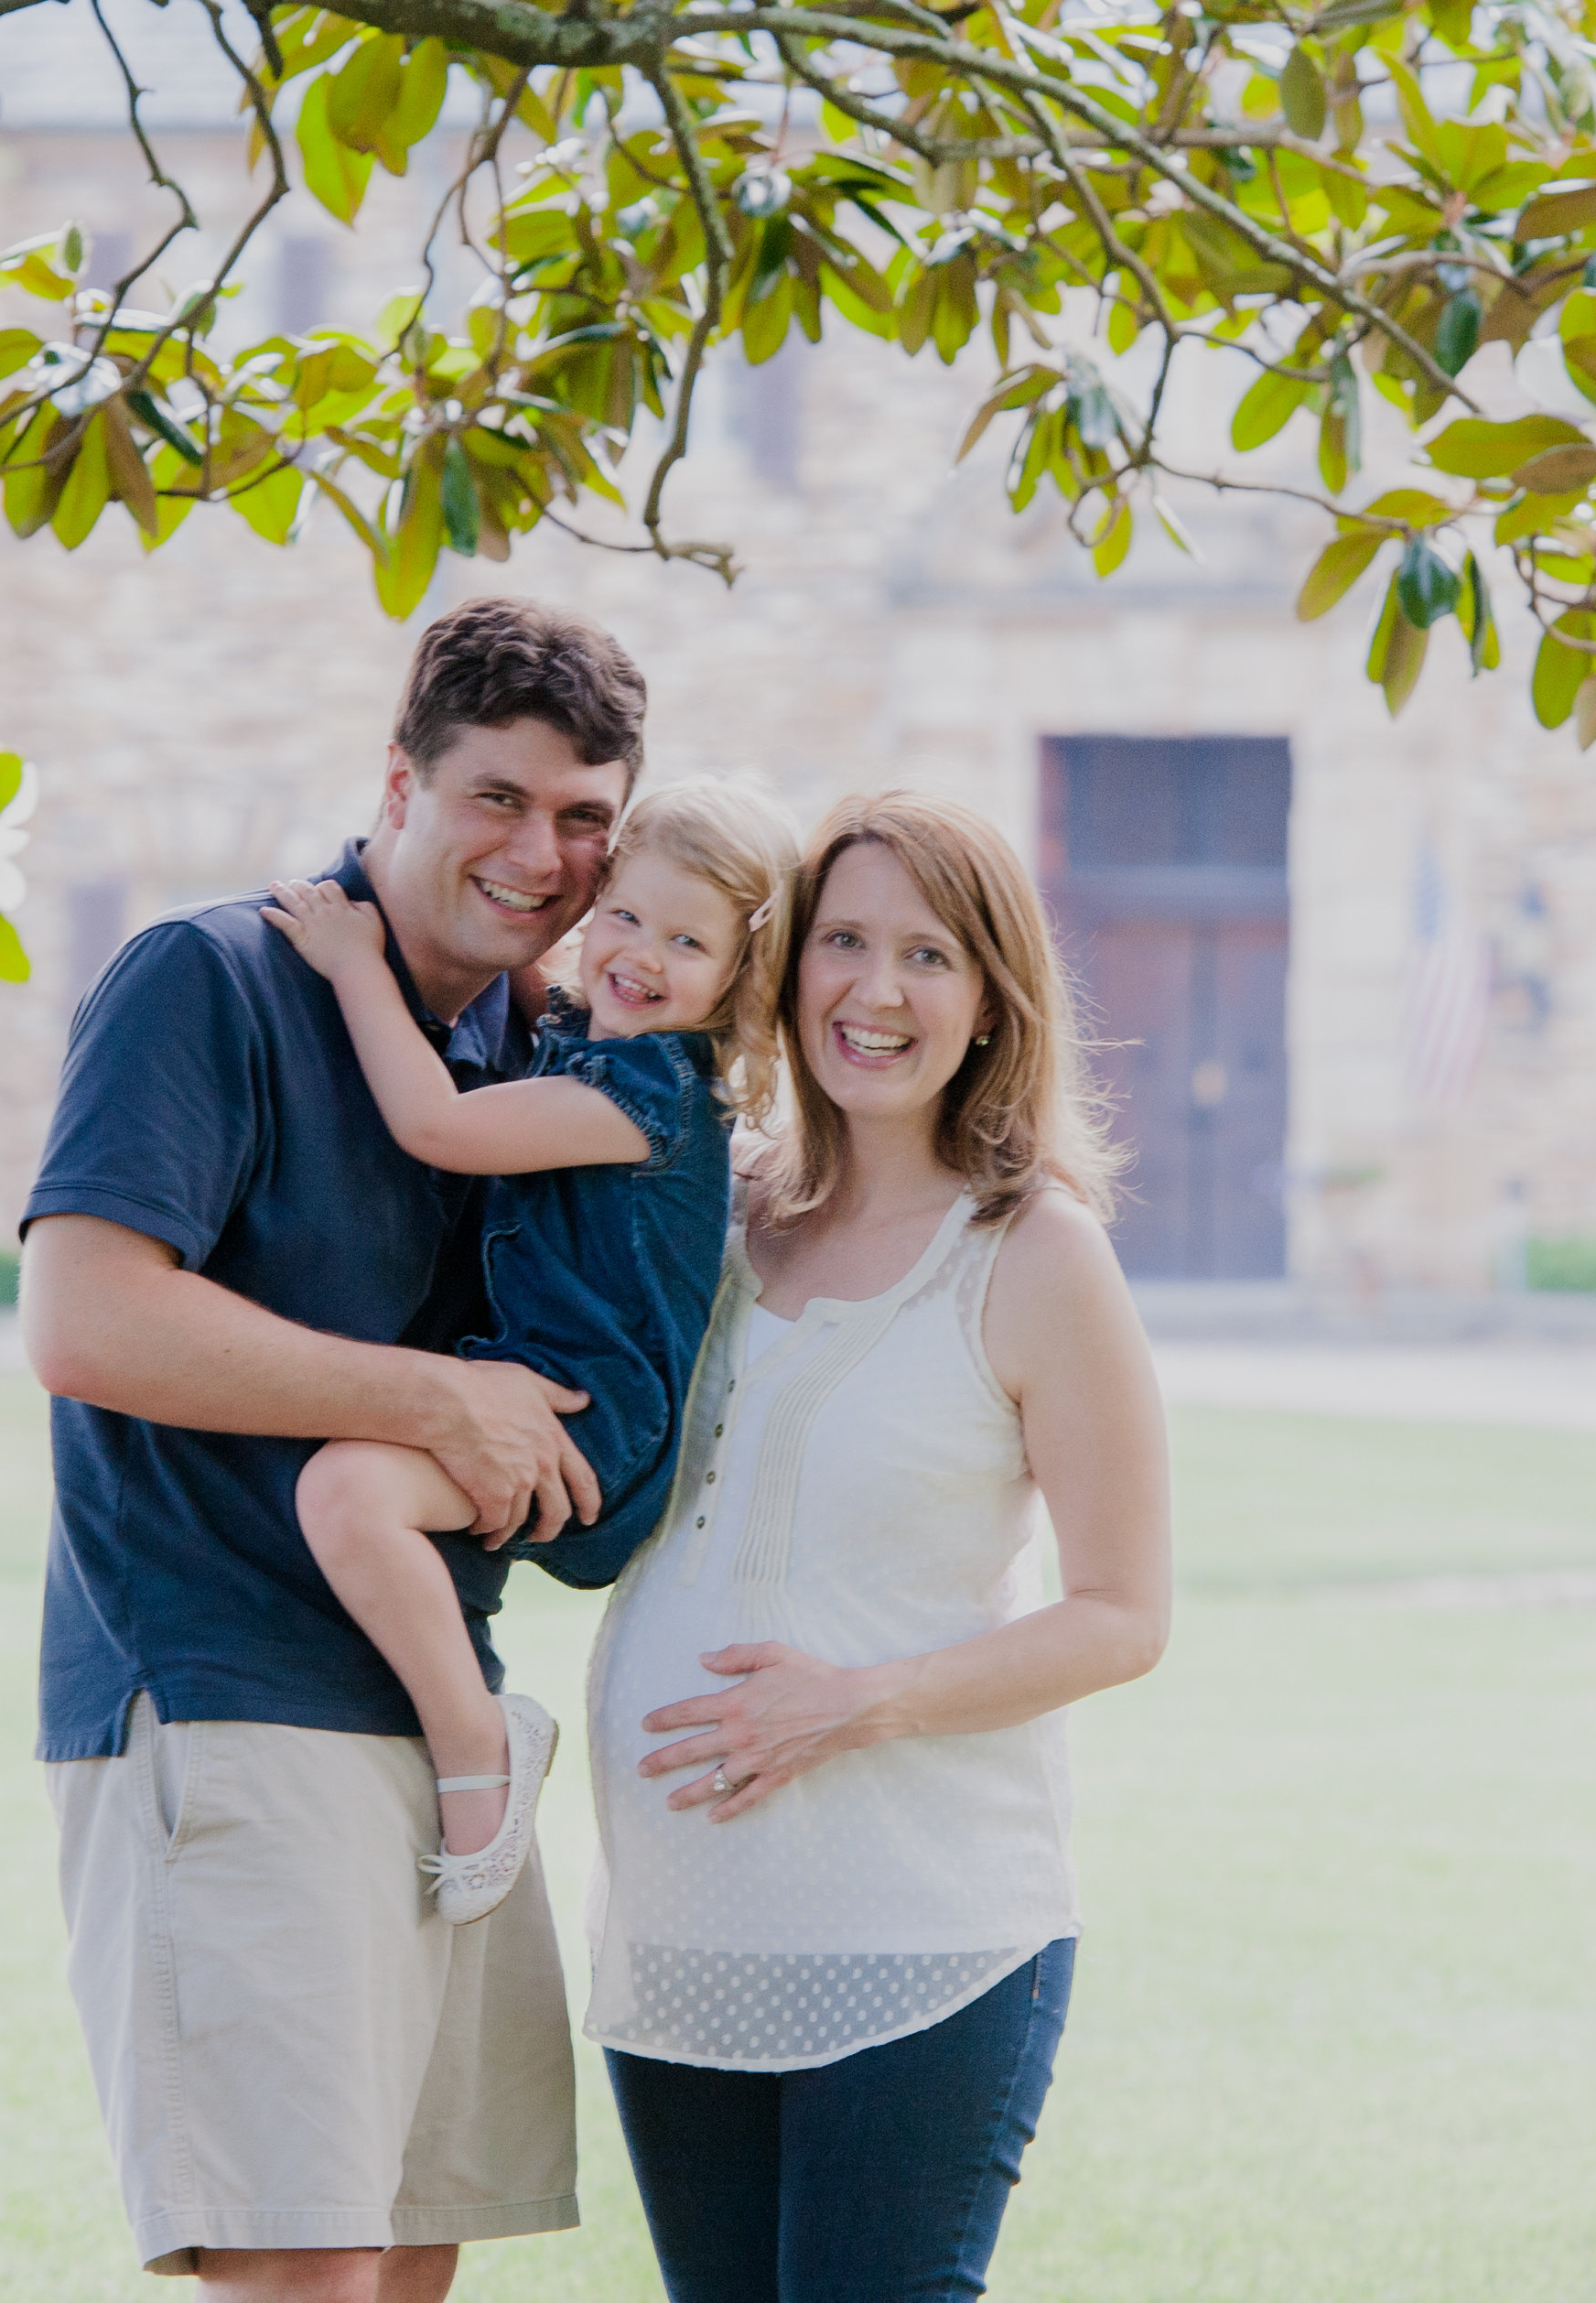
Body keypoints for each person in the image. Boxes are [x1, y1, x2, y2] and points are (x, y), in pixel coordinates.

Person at [16, 596, 642, 2301]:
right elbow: (84, 1316)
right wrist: (430, 1401)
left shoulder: (539, 1051)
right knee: (306, 2270)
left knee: (416, 2257)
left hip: (444, 1719)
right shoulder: (208, 978)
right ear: (399, 782)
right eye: (497, 797)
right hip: (228, 1691)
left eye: (584, 815)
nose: (540, 853)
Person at [580, 790, 1175, 2303]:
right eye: (843, 940)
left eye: (929, 954)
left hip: (923, 1936)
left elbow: (1123, 1613)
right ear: (785, 969)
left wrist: (857, 1701)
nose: (877, 989)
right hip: (684, 1934)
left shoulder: (1036, 1254)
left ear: (991, 998)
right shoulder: (711, 1207)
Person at [259, 775, 801, 1924]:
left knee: (348, 1495)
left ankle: (477, 1745)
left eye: (687, 941)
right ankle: (466, 1729)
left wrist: (355, 963)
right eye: (625, 915)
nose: (640, 955)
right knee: (350, 1494)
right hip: (545, 1383)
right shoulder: (588, 1039)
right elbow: (532, 971)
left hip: (592, 1420)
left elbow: (437, 1125)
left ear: (739, 977)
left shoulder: (648, 1093)